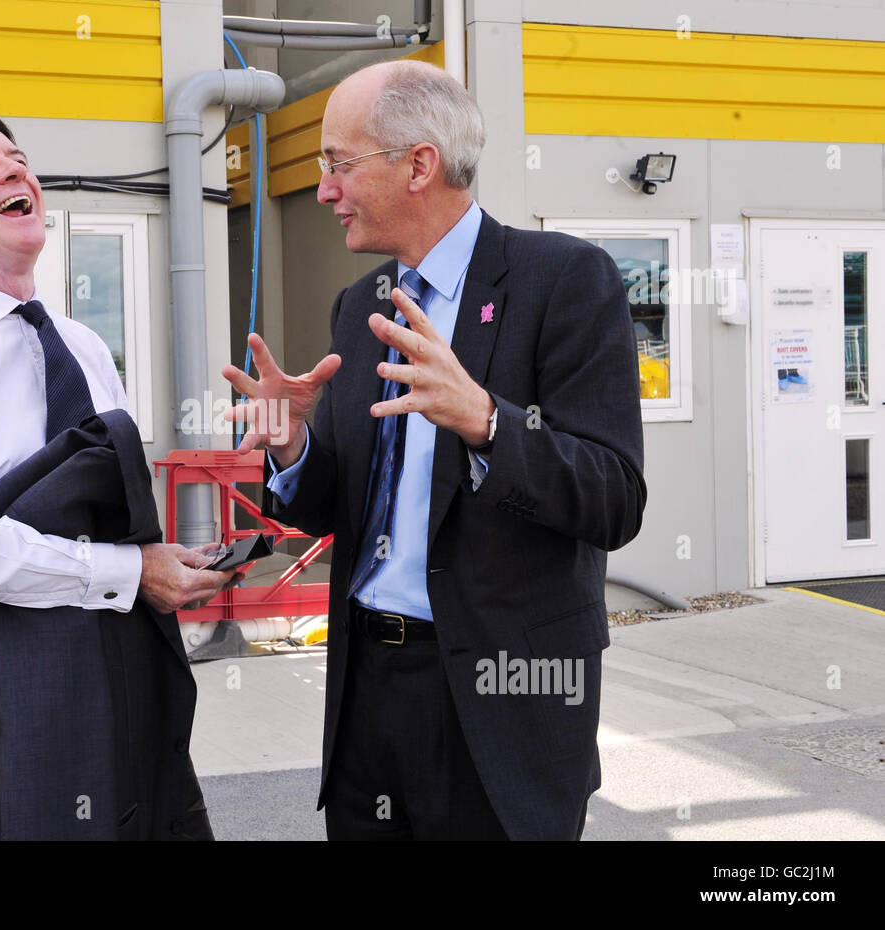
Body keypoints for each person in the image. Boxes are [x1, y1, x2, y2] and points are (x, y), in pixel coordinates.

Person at [224, 60, 647, 840]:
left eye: (337, 165)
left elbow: (615, 497)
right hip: (368, 697)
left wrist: (490, 422)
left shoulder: (566, 281)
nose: (322, 191)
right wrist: (295, 448)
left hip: (501, 703)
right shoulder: (361, 308)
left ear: (419, 164)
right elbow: (339, 508)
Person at [0, 100, 237, 840]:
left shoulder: (85, 348)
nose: (14, 168)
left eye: (16, 156)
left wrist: (163, 564)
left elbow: (113, 516)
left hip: (101, 674)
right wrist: (125, 572)